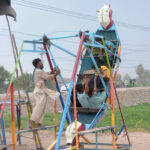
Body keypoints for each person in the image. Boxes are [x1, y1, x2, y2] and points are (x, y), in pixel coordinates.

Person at [28, 58, 60, 128]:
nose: (42, 63)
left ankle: (37, 123)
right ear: (37, 64)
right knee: (39, 107)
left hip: (41, 91)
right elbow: (48, 77)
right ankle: (31, 121)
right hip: (39, 92)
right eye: (40, 62)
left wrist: (53, 71)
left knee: (42, 108)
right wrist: (56, 74)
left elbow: (46, 74)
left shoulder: (39, 71)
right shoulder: (38, 71)